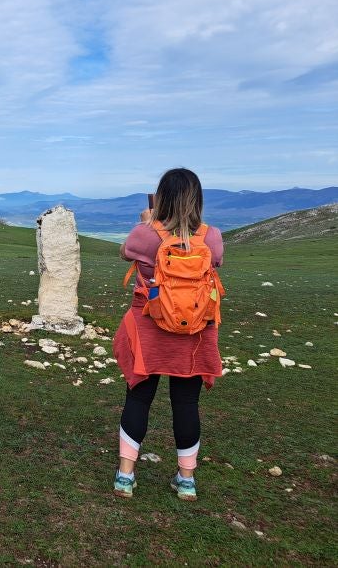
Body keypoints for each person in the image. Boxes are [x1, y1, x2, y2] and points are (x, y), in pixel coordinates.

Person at [111, 168, 224, 501]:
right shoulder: (212, 236)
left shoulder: (144, 234)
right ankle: (186, 480)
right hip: (195, 334)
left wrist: (148, 222)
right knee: (186, 403)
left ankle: (125, 476)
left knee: (138, 397)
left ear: (162, 197)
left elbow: (124, 253)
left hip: (149, 327)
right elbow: (216, 262)